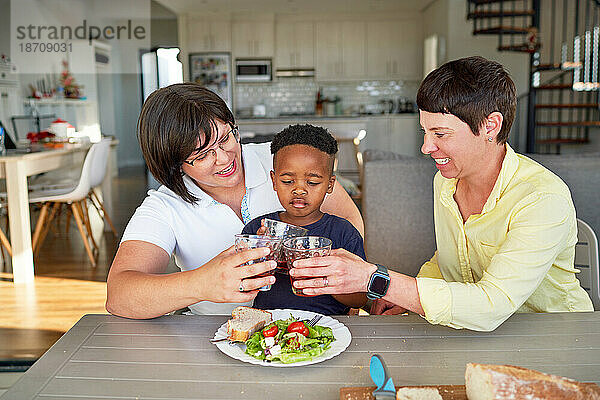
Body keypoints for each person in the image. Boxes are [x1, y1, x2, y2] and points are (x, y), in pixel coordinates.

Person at [289, 56, 594, 331]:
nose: (426, 147)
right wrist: (407, 295)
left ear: (490, 125)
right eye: (425, 132)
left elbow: (491, 306)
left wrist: (377, 280)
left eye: (441, 134)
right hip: (475, 334)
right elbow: (448, 260)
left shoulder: (542, 198)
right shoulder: (446, 182)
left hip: (556, 335)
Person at [105, 83, 363, 319]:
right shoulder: (165, 206)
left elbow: (349, 221)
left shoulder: (283, 161)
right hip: (215, 336)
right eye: (203, 154)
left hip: (317, 325)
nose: (224, 158)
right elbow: (119, 295)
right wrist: (201, 284)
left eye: (225, 138)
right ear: (174, 165)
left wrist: (346, 294)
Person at [242, 124, 366, 315]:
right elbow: (241, 287)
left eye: (313, 182)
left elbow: (359, 298)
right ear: (274, 181)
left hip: (329, 329)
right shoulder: (257, 231)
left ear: (330, 185)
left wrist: (325, 275)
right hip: (270, 330)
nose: (299, 190)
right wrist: (263, 257)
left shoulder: (344, 233)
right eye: (288, 181)